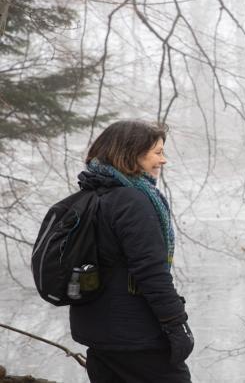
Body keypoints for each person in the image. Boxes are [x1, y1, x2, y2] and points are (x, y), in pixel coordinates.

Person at [69, 120, 194, 383]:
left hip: (97, 333)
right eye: (158, 152)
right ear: (132, 152)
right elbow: (151, 272)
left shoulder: (91, 195)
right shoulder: (132, 201)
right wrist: (176, 323)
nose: (164, 160)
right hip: (136, 338)